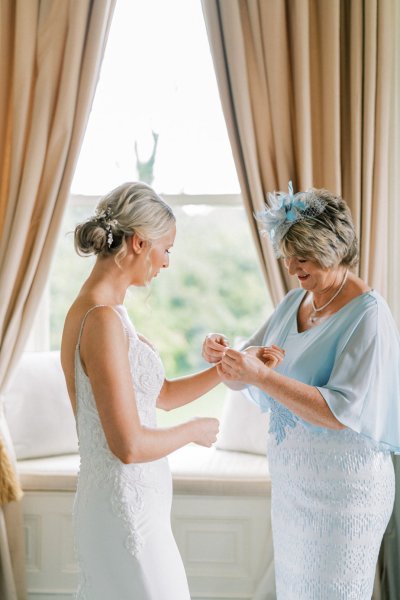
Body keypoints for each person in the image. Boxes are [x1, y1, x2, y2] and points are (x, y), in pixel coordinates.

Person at [202, 183, 400, 599]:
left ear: (335, 248)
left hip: (345, 497)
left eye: (303, 256)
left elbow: (339, 413)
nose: (291, 265)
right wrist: (222, 357)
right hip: (292, 490)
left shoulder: (369, 315)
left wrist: (262, 376)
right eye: (287, 254)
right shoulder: (295, 301)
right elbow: (244, 374)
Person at [61, 181, 221, 600]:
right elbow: (127, 445)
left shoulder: (110, 311)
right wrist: (194, 431)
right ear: (137, 242)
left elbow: (161, 395)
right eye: (166, 248)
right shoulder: (100, 319)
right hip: (124, 512)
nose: (166, 262)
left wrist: (228, 369)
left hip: (136, 508)